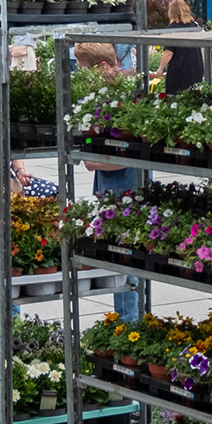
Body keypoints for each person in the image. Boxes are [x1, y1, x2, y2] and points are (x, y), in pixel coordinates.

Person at [75, 43, 143, 320]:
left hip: (125, 191)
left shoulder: (125, 98)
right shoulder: (104, 96)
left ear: (103, 67)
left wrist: (93, 162)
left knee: (125, 263)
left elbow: (130, 156)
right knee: (116, 260)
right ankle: (125, 323)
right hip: (109, 189)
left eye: (84, 71)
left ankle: (129, 327)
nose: (81, 78)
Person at [159, 0, 207, 93]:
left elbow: (168, 52)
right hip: (195, 68)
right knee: (193, 97)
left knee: (175, 98)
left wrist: (160, 68)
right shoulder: (195, 27)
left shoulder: (171, 29)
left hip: (178, 70)